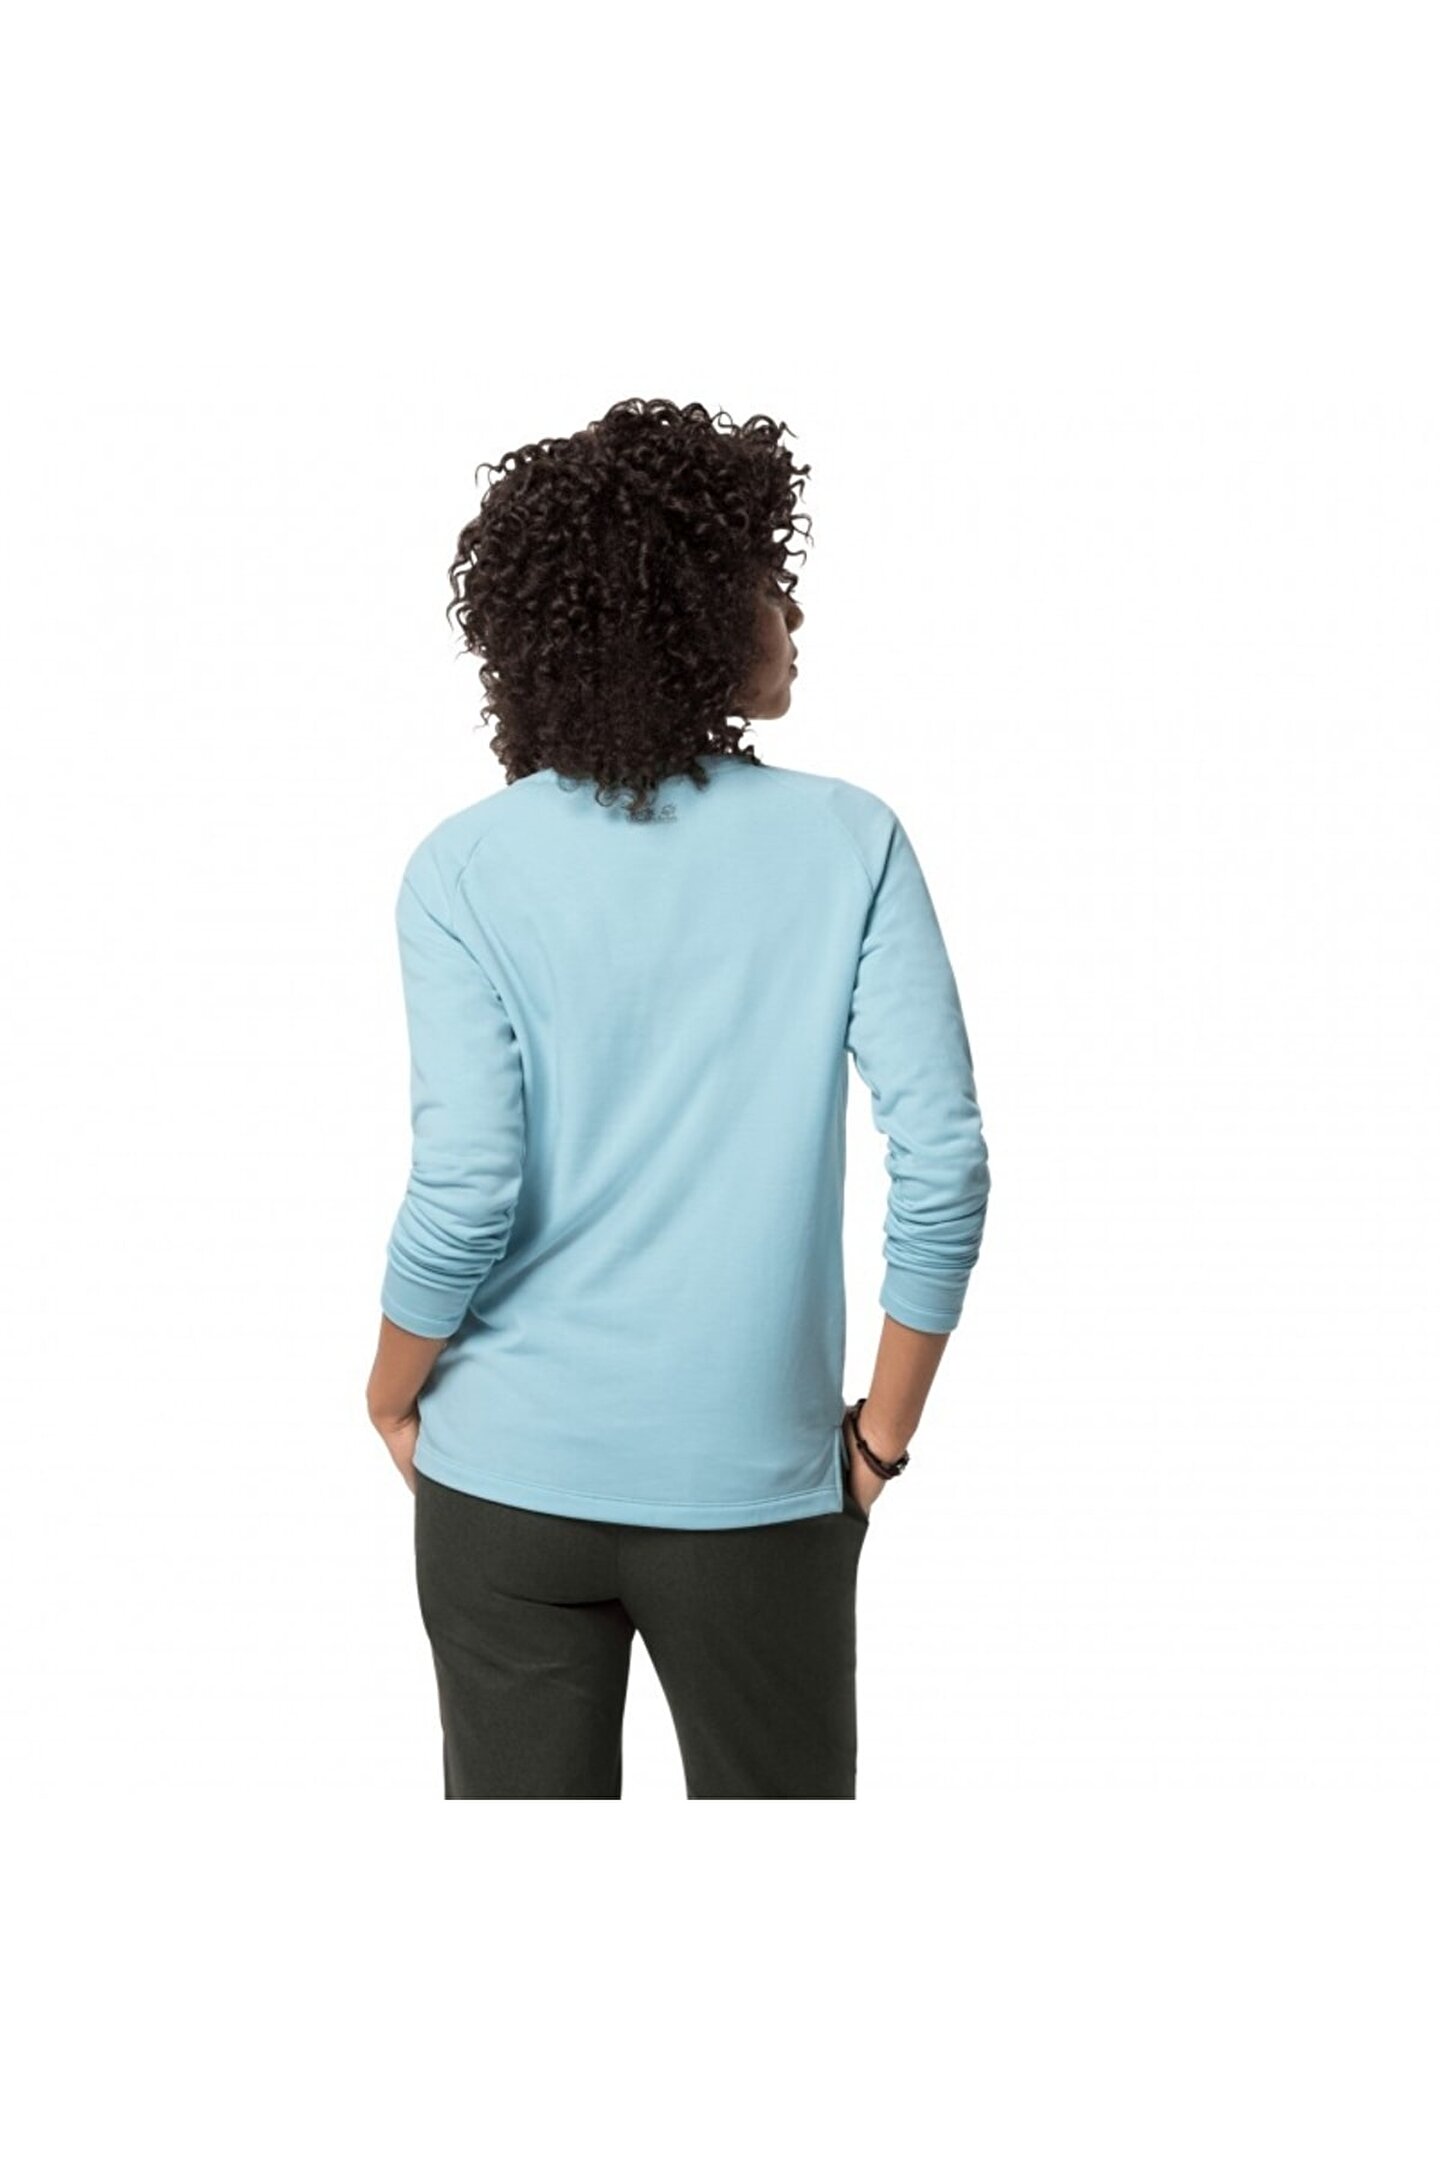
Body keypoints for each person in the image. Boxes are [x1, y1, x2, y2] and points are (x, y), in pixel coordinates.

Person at [364, 396, 991, 1799]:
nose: (791, 611)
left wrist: (392, 1393)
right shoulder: (849, 842)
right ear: (688, 613)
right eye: (765, 577)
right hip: (754, 1493)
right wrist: (879, 1444)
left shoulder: (463, 867)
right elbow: (943, 1164)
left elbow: (465, 1184)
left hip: (502, 1481)